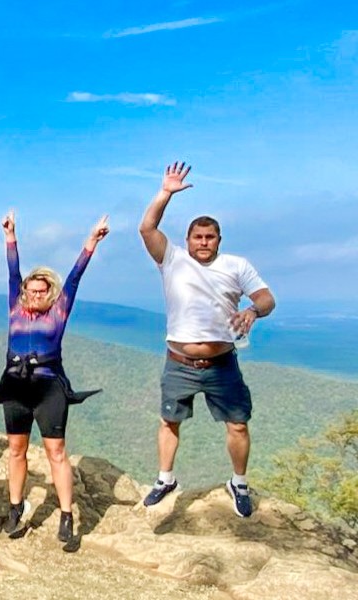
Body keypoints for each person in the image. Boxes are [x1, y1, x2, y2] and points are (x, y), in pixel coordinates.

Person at [138, 162, 275, 518]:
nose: (203, 242)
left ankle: (238, 483)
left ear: (218, 239)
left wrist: (252, 312)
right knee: (169, 420)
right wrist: (165, 193)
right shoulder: (171, 259)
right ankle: (165, 479)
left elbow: (266, 298)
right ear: (187, 240)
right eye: (197, 237)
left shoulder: (236, 265)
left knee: (238, 423)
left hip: (222, 363)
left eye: (209, 237)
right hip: (178, 361)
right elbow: (147, 227)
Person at [0, 210, 107, 543]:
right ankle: (15, 509)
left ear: (51, 293)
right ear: (25, 291)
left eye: (43, 291)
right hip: (15, 384)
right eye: (32, 290)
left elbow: (75, 277)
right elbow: (13, 270)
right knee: (16, 450)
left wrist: (91, 242)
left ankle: (67, 515)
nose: (36, 295)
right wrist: (10, 235)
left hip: (48, 386)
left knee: (56, 451)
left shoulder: (59, 311)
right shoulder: (15, 306)